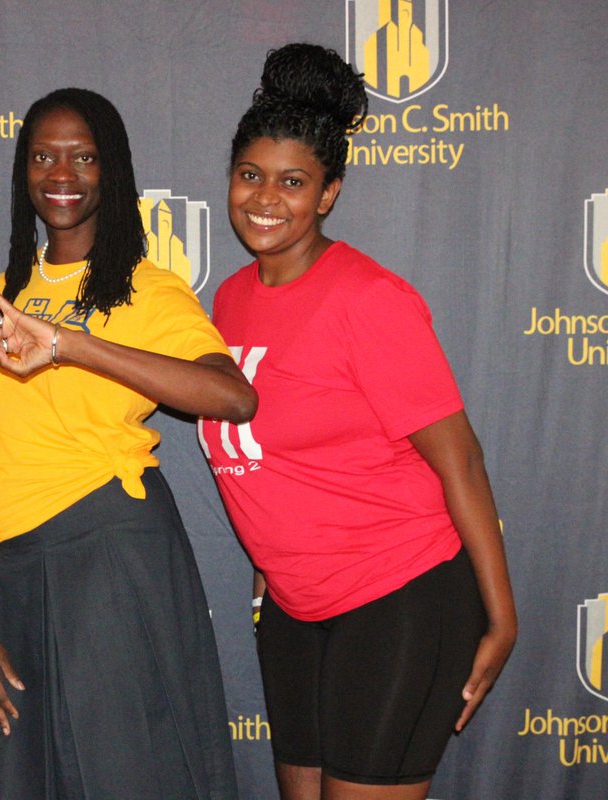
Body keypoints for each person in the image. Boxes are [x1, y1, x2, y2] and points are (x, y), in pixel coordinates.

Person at [199, 44, 518, 800]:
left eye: (294, 182)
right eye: (251, 176)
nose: (266, 199)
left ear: (330, 192)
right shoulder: (230, 300)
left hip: (399, 599)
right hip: (293, 610)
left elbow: (461, 461)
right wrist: (266, 582)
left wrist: (502, 618)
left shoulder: (369, 299)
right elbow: (274, 463)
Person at [0, 87, 255, 800]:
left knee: (122, 774)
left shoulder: (145, 289)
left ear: (111, 170)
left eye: (85, 157)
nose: (63, 174)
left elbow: (233, 395)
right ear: (23, 171)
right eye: (45, 156)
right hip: (14, 571)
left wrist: (70, 346)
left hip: (111, 556)